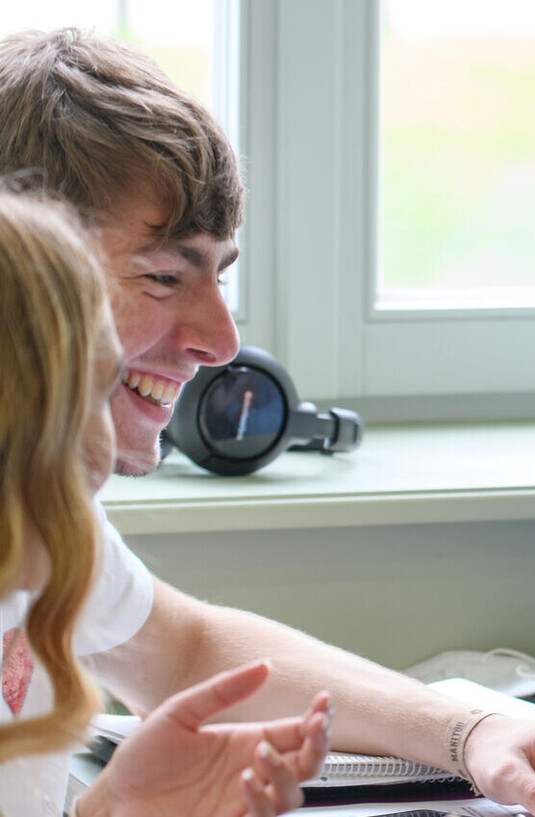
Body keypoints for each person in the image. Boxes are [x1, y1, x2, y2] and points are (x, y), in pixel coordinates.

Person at [0, 29, 535, 817]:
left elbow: (186, 647)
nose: (223, 343)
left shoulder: (38, 508)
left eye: (218, 272)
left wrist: (471, 727)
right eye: (165, 275)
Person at [0, 188, 333, 816]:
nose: (100, 449)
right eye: (88, 393)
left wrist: (115, 807)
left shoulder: (43, 535)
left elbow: (188, 645)